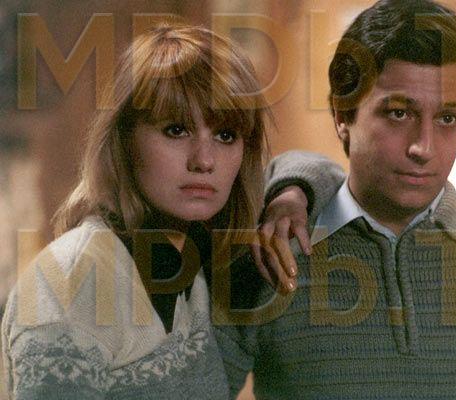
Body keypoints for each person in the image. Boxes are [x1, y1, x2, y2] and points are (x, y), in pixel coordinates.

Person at [214, 0, 456, 399]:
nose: (423, 147)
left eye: (448, 119)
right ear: (342, 116)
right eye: (399, 113)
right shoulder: (273, 256)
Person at [0, 23, 317, 399]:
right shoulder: (71, 283)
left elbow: (320, 169)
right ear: (124, 140)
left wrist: (291, 195)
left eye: (225, 135)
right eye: (176, 130)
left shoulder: (190, 261)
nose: (204, 160)